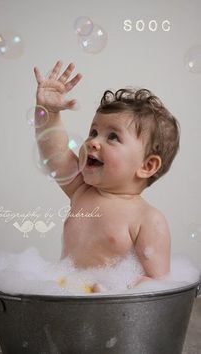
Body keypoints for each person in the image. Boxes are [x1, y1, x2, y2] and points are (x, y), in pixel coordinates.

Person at [33, 60, 180, 292]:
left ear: (147, 165)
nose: (93, 142)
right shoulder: (81, 190)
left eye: (112, 137)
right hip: (66, 294)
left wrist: (118, 291)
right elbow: (55, 153)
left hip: (113, 310)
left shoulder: (148, 220)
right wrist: (49, 113)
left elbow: (159, 287)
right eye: (93, 132)